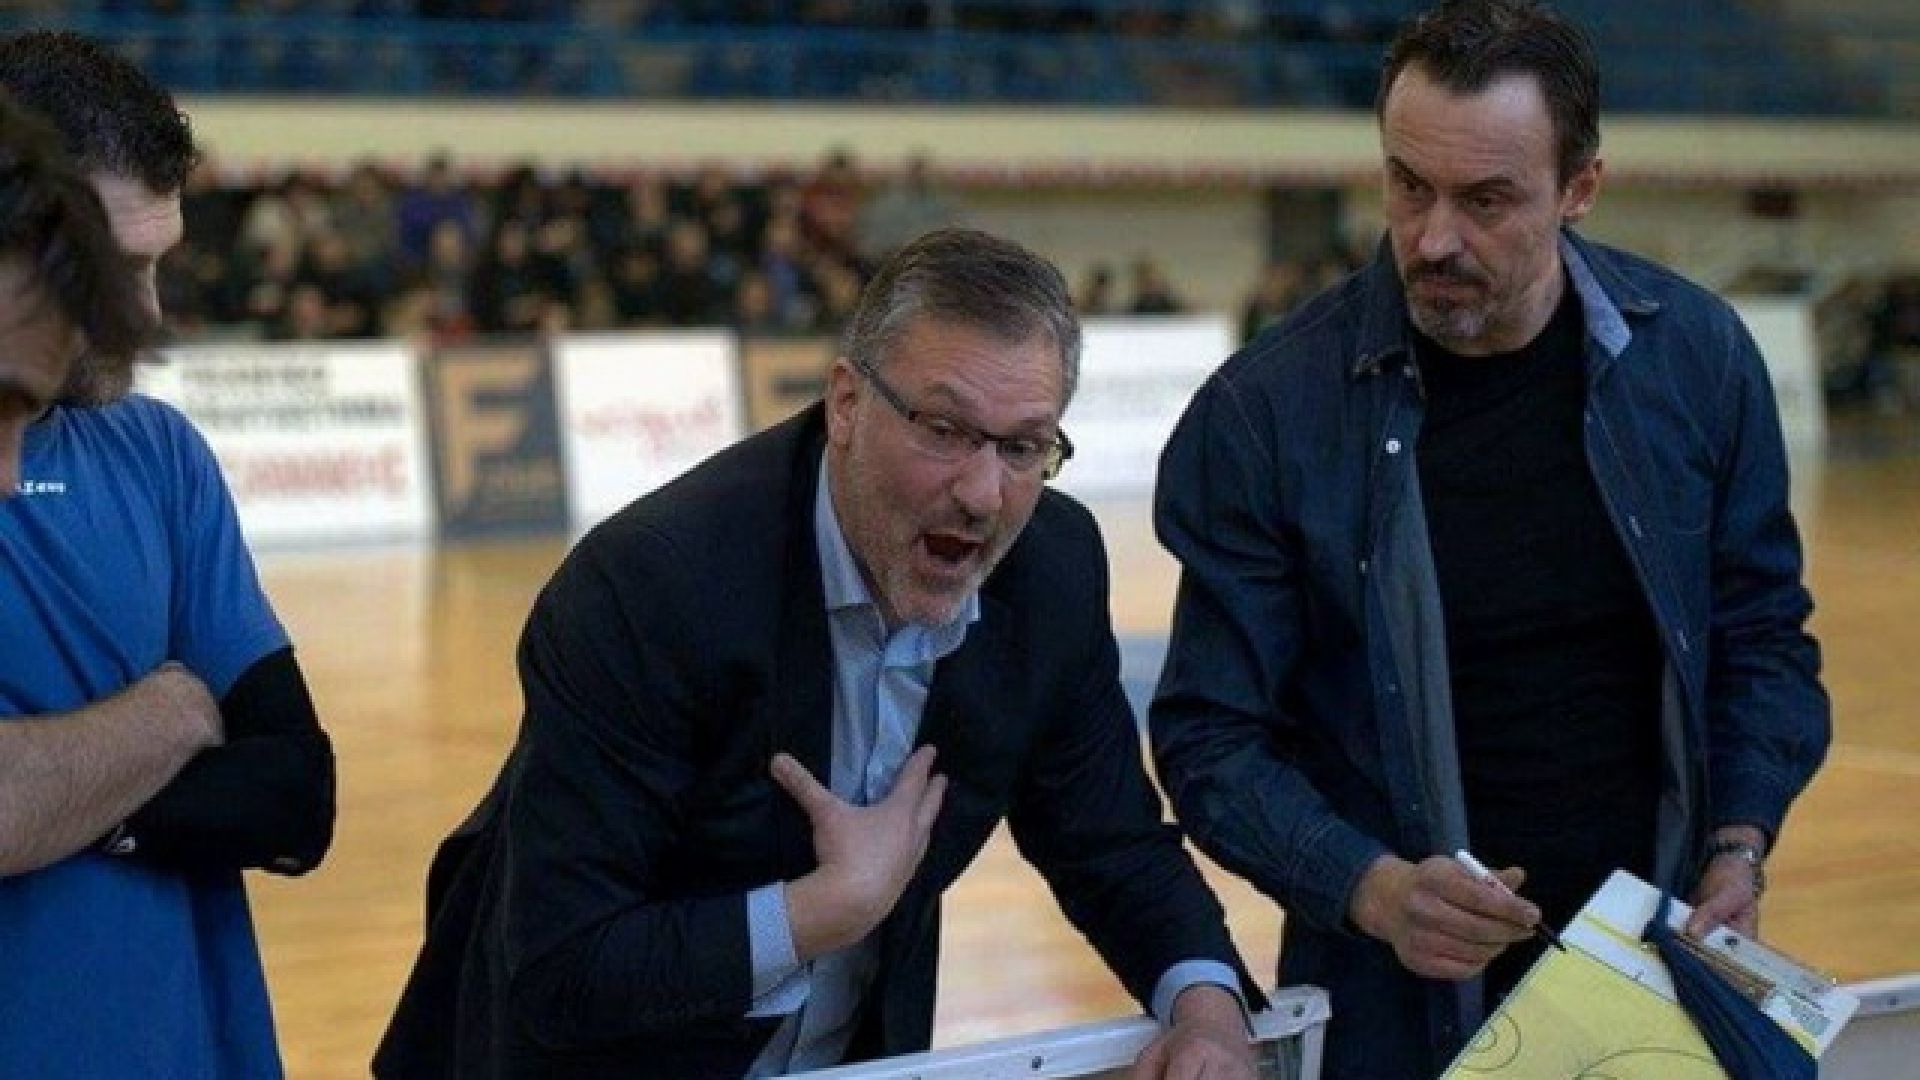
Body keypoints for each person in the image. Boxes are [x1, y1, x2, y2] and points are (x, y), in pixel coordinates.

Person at [375, 228, 1261, 1079]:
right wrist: (822, 910)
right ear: (846, 404)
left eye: (1024, 447)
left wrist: (1206, 1004)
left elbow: (1109, 841)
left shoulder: (1050, 570)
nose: (985, 494)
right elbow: (563, 967)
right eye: (944, 430)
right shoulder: (649, 588)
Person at [1147, 2, 1831, 1077]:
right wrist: (1370, 887)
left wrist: (1740, 842)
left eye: (1486, 200)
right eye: (1408, 185)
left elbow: (1763, 638)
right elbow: (1209, 738)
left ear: (1580, 187)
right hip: (1391, 1007)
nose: (1432, 238)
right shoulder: (1263, 415)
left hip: (1653, 988)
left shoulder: (1699, 360)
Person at [0, 30, 336, 1078]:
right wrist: (177, 712)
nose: (145, 315)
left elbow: (296, 795)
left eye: (158, 265)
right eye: (115, 269)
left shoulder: (158, 453)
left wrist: (58, 793)